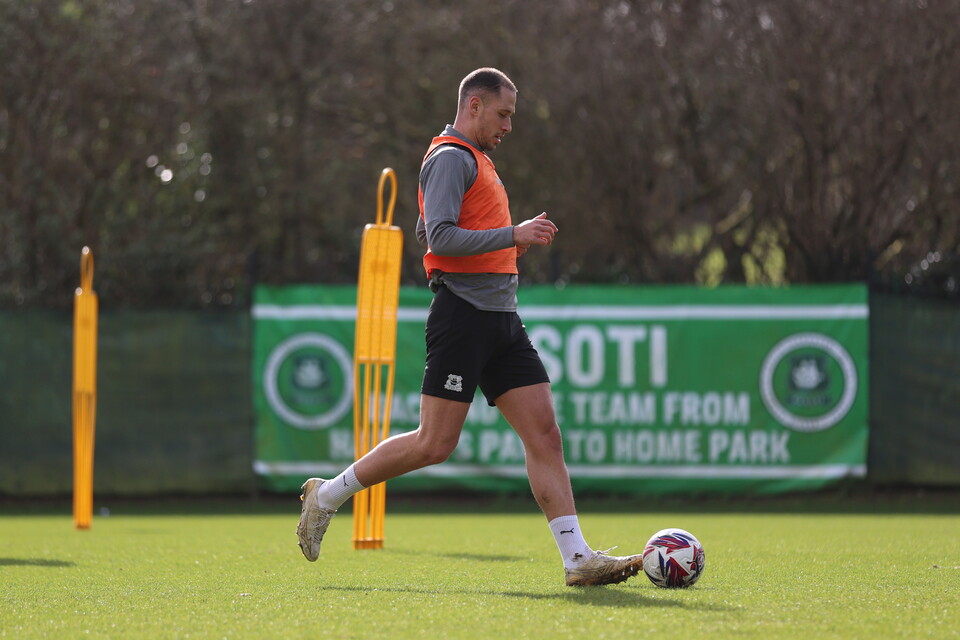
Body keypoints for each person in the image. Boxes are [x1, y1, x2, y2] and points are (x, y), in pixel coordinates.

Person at [297, 67, 644, 587]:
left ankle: (577, 560)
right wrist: (512, 233)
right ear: (474, 106)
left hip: (502, 318)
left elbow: (431, 227)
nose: (508, 126)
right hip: (462, 316)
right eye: (503, 114)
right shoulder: (451, 156)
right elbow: (437, 238)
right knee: (434, 444)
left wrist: (507, 243)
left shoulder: (476, 160)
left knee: (545, 435)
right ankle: (327, 495)